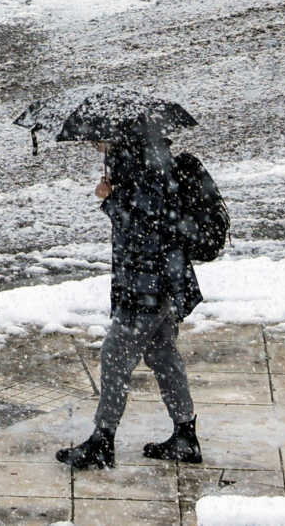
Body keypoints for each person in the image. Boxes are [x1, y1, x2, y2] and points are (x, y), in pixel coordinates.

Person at [57, 119, 200, 470]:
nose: (92, 144)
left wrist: (110, 200)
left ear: (114, 135)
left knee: (114, 356)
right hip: (161, 280)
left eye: (95, 138)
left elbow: (144, 227)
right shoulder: (150, 159)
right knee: (164, 355)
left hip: (145, 284)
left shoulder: (139, 166)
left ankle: (102, 441)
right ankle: (185, 435)